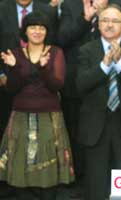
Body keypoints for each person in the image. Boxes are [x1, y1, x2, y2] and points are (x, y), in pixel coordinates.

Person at [0, 11, 74, 200]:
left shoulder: (56, 52)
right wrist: (14, 67)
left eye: (42, 28)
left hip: (49, 115)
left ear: (47, 31)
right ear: (25, 31)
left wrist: (43, 68)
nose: (37, 31)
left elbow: (57, 85)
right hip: (20, 115)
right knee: (19, 169)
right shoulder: (15, 53)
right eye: (33, 27)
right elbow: (11, 88)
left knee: (48, 168)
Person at [76, 4, 121, 200]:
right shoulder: (87, 50)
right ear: (98, 25)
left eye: (115, 21)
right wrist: (105, 65)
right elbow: (81, 84)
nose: (109, 25)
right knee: (96, 184)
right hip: (95, 125)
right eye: (105, 20)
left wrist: (120, 62)